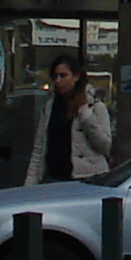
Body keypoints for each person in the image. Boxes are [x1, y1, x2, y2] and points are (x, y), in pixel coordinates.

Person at [24, 54, 111, 186]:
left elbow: (104, 146)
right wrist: (30, 184)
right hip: (55, 179)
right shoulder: (50, 106)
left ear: (76, 76)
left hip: (87, 180)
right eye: (55, 76)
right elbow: (40, 148)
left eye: (63, 75)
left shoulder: (95, 105)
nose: (58, 81)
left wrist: (87, 118)